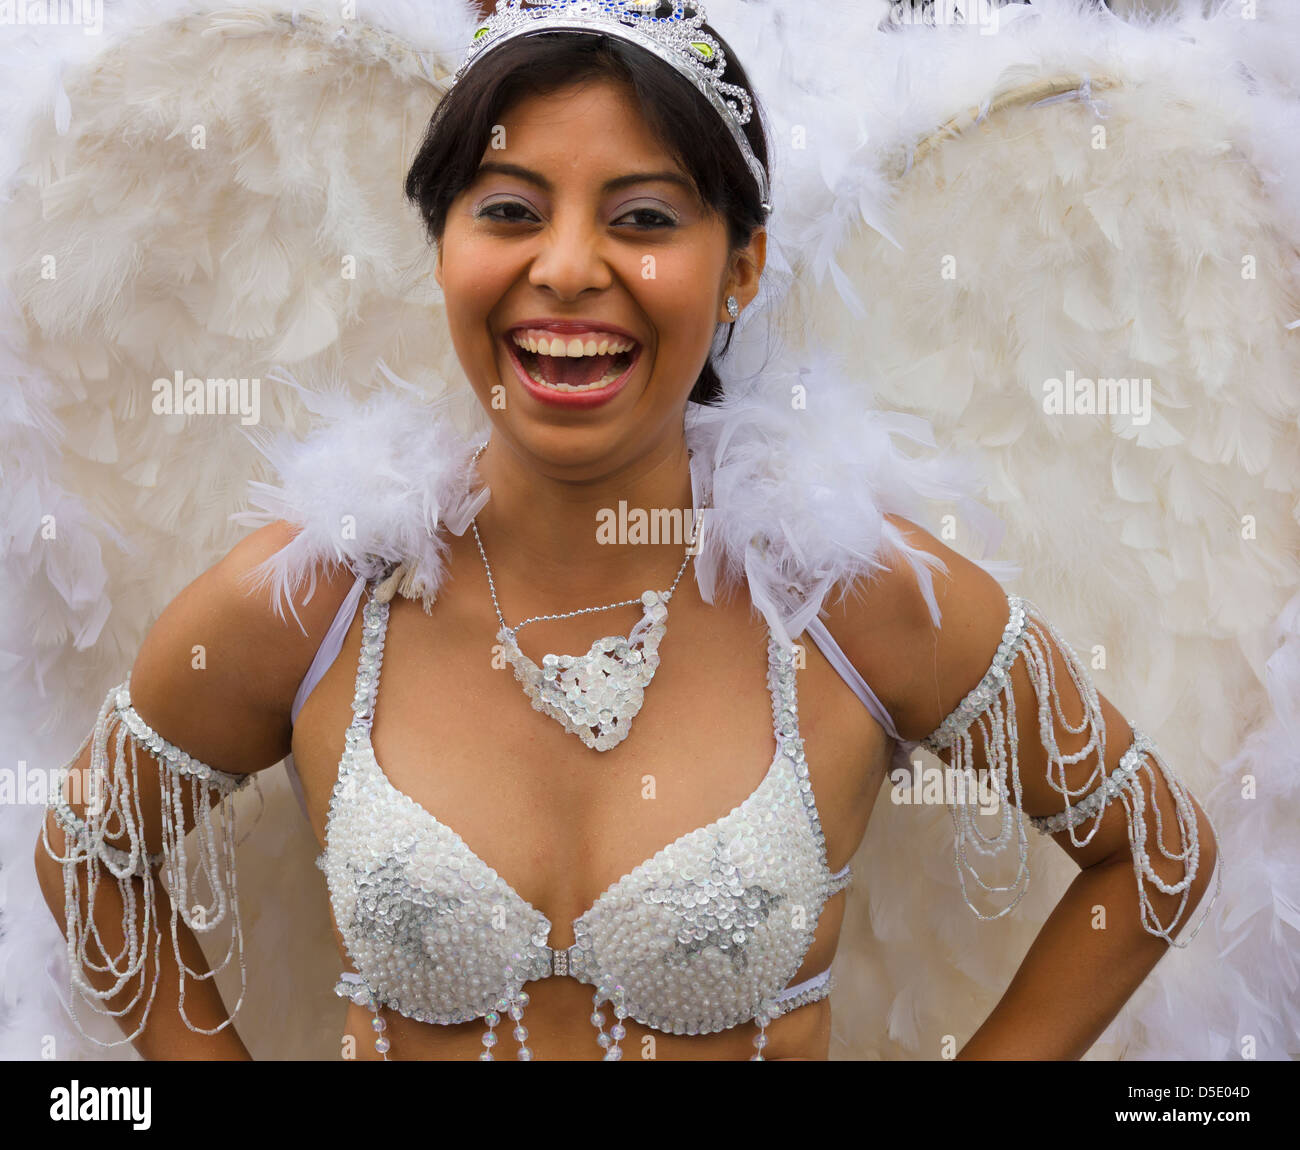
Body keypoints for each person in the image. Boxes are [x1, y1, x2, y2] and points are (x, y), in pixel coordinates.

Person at [34, 0, 1220, 1062]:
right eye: (508, 211)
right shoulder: (314, 595)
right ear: (441, 248)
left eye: (642, 217)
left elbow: (1154, 853)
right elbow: (88, 855)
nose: (565, 268)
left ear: (739, 267)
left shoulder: (855, 596)